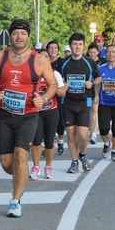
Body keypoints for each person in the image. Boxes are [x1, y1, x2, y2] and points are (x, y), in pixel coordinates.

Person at [0, 19, 57, 218]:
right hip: (5, 114)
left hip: (28, 115)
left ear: (28, 36)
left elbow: (53, 85)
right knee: (7, 164)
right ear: (11, 36)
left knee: (21, 156)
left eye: (23, 34)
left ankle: (15, 202)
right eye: (15, 33)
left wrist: (43, 98)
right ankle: (20, 179)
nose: (19, 37)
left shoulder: (39, 60)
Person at [57, 33, 101, 174]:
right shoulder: (63, 63)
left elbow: (99, 78)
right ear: (70, 46)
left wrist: (92, 83)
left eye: (80, 44)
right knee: (70, 135)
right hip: (67, 103)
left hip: (83, 102)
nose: (77, 47)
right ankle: (74, 161)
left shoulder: (89, 62)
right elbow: (55, 79)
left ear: (83, 46)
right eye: (75, 44)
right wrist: (61, 84)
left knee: (82, 135)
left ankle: (83, 154)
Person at [29, 49, 67, 179]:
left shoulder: (54, 74)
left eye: (46, 56)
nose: (43, 59)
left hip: (51, 111)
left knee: (50, 141)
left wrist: (51, 89)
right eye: (41, 56)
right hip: (36, 111)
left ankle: (48, 167)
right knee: (36, 140)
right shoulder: (32, 74)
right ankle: (36, 167)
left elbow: (63, 93)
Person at [86, 42, 107, 144]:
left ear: (98, 52)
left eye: (94, 52)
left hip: (99, 89)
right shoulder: (85, 61)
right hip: (86, 90)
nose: (92, 54)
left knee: (95, 111)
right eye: (90, 52)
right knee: (88, 112)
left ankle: (94, 134)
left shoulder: (102, 62)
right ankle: (90, 129)